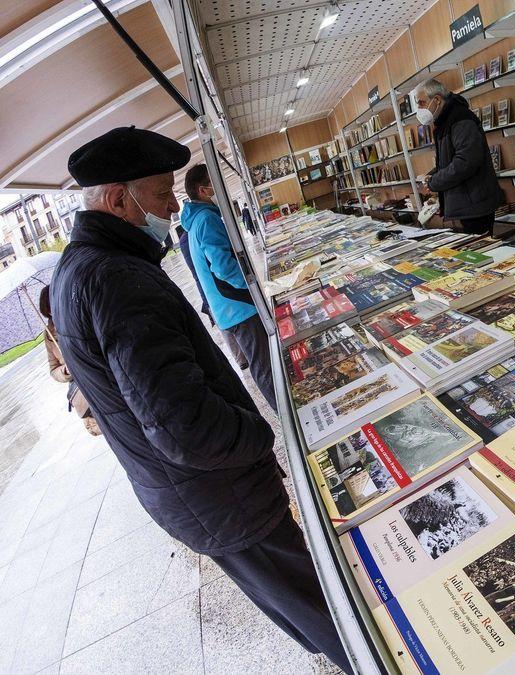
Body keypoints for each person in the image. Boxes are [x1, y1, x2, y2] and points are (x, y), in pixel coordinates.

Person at [50, 126, 350, 673]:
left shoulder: (77, 269)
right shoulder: (117, 279)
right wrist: (260, 435)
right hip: (222, 496)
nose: (173, 208)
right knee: (330, 615)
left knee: (295, 601)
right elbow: (184, 426)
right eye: (163, 196)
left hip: (191, 497)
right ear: (120, 200)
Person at [180, 163, 276, 412]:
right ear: (203, 190)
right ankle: (285, 413)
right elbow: (223, 268)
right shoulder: (206, 220)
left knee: (262, 364)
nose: (221, 188)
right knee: (264, 366)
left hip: (228, 308)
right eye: (216, 184)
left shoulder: (197, 221)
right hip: (238, 307)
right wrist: (255, 287)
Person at [413, 78, 503, 235]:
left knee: (481, 251)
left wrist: (435, 181)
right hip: (468, 203)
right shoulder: (445, 121)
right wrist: (432, 175)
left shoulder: (460, 119)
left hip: (475, 205)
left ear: (437, 100)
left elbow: (466, 161)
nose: (419, 109)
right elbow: (449, 160)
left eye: (421, 103)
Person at [174, 222, 249, 370]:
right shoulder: (193, 235)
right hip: (216, 291)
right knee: (227, 323)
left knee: (225, 325)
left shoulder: (187, 238)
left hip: (209, 291)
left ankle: (241, 359)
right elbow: (220, 268)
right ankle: (242, 358)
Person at [39, 286, 101, 437]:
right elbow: (53, 369)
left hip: (99, 379)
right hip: (82, 390)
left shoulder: (77, 316)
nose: (53, 312)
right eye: (49, 310)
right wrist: (65, 371)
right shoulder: (49, 336)